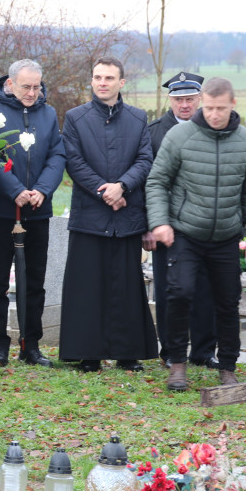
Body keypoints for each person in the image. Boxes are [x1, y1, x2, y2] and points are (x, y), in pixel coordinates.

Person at [146, 77, 246, 391]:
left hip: (227, 235)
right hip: (185, 232)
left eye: (220, 108)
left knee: (227, 301)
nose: (214, 114)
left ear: (233, 104)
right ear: (203, 103)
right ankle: (177, 364)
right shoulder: (180, 135)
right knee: (180, 293)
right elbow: (157, 181)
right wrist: (161, 222)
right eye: (210, 108)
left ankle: (227, 366)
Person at [59, 57, 156, 372]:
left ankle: (128, 354)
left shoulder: (138, 118)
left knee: (126, 286)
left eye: (109, 78)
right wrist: (104, 190)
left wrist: (123, 187)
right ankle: (89, 354)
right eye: (98, 77)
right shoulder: (75, 118)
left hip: (126, 217)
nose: (103, 83)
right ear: (91, 81)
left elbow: (145, 159)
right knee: (88, 287)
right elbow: (73, 161)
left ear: (121, 82)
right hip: (90, 215)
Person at [0, 59, 65, 367]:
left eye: (37, 87)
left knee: (35, 280)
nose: (32, 93)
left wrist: (42, 189)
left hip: (38, 209)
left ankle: (31, 345)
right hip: (2, 209)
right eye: (26, 87)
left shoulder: (48, 113)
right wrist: (15, 190)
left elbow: (57, 153)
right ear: (10, 84)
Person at [147, 72, 219, 369]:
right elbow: (148, 184)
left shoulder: (215, 128)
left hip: (206, 226)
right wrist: (152, 225)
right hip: (169, 227)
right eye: (179, 99)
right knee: (169, 291)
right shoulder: (153, 133)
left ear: (200, 98)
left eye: (190, 99)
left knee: (206, 290)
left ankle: (204, 351)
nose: (185, 105)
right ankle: (170, 350)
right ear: (170, 100)